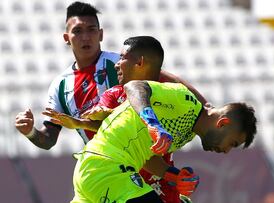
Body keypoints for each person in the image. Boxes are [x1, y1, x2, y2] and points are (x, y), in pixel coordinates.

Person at [14, 2, 205, 203]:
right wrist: (30, 131)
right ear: (66, 38)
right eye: (77, 31)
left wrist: (206, 108)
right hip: (107, 168)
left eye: (91, 29)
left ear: (101, 34)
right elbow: (49, 139)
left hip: (148, 162)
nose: (85, 37)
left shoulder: (121, 64)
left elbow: (165, 78)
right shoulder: (60, 86)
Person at [71, 80, 257, 203]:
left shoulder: (188, 133)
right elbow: (134, 86)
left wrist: (175, 176)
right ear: (223, 123)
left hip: (95, 171)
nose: (226, 151)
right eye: (232, 143)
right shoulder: (185, 101)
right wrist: (151, 121)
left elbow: (146, 158)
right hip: (107, 166)